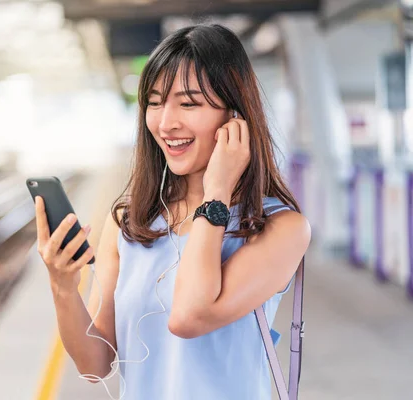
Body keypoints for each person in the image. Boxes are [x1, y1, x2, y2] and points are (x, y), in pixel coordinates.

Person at [34, 24, 311, 400]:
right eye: (155, 101)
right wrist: (63, 287)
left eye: (189, 103)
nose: (166, 123)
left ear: (235, 117)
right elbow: (95, 364)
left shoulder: (280, 228)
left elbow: (188, 317)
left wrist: (216, 193)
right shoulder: (130, 225)